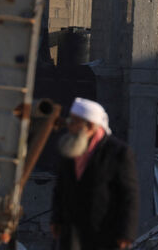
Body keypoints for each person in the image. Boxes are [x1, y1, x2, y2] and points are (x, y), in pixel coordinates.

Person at [51, 98, 139, 250]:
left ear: (90, 125)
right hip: (71, 231)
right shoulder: (70, 147)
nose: (69, 125)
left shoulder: (118, 152)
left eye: (74, 121)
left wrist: (126, 233)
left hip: (103, 232)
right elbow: (60, 188)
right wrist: (56, 219)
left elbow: (129, 195)